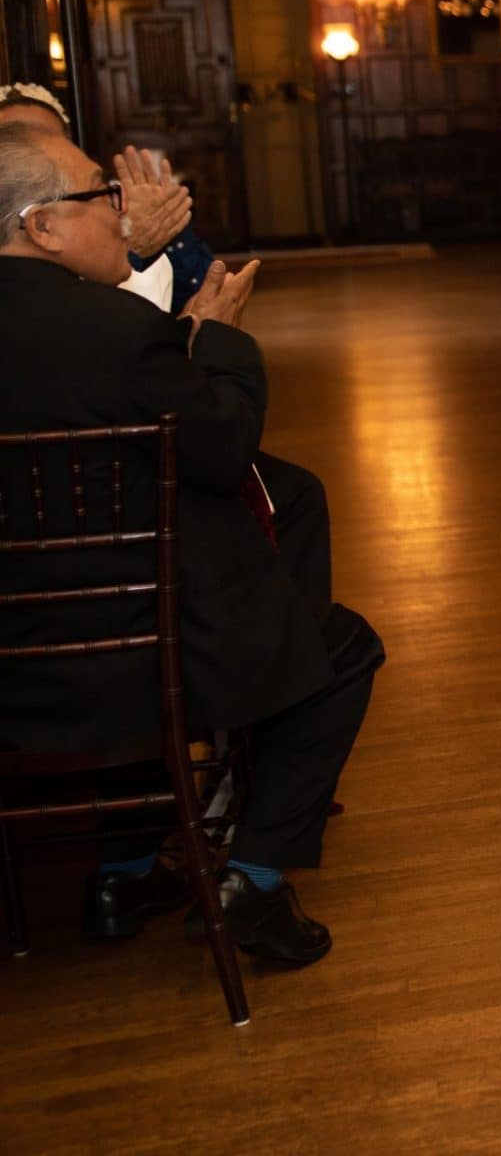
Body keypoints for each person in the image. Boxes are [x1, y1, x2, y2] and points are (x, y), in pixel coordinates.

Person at [0, 123, 382, 969]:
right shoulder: (117, 332)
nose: (119, 213)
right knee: (340, 650)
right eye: (99, 197)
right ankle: (253, 877)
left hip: (14, 668)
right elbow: (221, 450)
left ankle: (125, 870)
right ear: (42, 226)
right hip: (143, 654)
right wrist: (216, 342)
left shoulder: (104, 323)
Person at [0, 84, 217, 311]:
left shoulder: (117, 206)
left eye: (47, 139)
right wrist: (129, 251)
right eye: (12, 142)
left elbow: (204, 289)